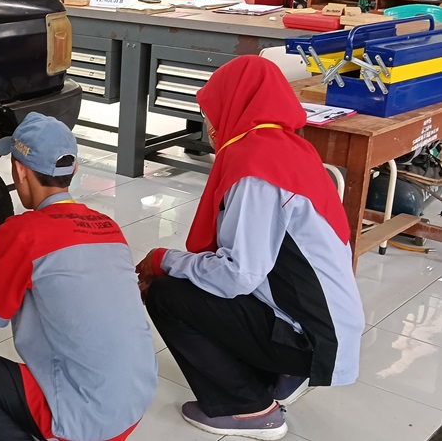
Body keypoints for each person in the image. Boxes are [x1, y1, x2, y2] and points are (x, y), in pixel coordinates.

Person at [136, 55, 364, 441]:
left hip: (311, 338)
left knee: (167, 295)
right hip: (321, 320)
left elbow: (237, 275)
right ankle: (279, 373)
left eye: (211, 111)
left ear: (234, 106)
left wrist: (164, 260)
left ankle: (248, 408)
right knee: (192, 280)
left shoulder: (256, 169)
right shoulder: (290, 148)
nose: (210, 124)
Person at [0, 112, 158, 441]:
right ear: (73, 170)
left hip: (83, 419)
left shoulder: (24, 232)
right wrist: (0, 256)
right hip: (131, 404)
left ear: (20, 170)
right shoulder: (108, 227)